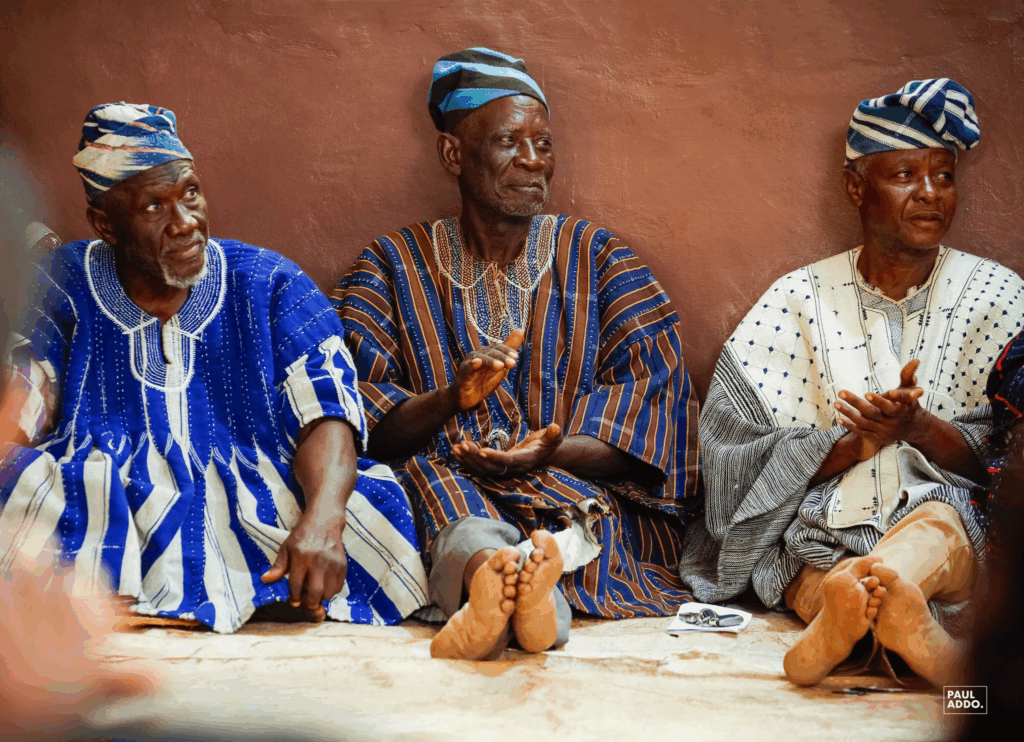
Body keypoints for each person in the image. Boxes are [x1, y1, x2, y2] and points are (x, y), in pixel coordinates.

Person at [0, 103, 427, 633]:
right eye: (155, 207)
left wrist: (322, 519)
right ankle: (255, 594)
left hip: (255, 486)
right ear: (105, 224)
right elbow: (23, 393)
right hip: (105, 492)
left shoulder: (269, 280)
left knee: (374, 501)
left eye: (190, 194)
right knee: (31, 485)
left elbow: (327, 408)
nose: (185, 223)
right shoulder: (62, 279)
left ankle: (151, 598)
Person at [333, 47, 700, 661]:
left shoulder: (600, 259)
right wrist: (451, 398)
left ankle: (517, 588)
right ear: (454, 153)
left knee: (570, 525)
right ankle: (506, 584)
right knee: (444, 499)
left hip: (569, 487)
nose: (534, 161)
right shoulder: (390, 267)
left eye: (544, 143)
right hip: (445, 480)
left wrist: (550, 448)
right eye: (510, 141)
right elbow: (361, 423)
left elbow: (653, 420)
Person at [680, 78, 1024, 686]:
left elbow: (1008, 463)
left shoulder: (999, 297)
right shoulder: (795, 301)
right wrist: (858, 445)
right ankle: (898, 631)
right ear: (855, 187)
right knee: (803, 559)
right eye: (905, 175)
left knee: (939, 528)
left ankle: (846, 620)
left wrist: (919, 429)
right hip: (823, 525)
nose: (929, 194)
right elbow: (734, 457)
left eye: (943, 176)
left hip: (944, 524)